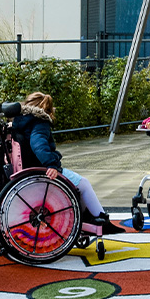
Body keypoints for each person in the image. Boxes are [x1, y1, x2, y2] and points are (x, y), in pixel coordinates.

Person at [11, 91, 124, 234]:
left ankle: (89, 216)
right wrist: (52, 164)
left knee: (77, 185)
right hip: (42, 168)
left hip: (28, 167)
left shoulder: (20, 122)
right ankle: (101, 220)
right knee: (82, 183)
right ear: (48, 110)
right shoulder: (40, 123)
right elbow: (38, 145)